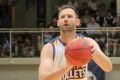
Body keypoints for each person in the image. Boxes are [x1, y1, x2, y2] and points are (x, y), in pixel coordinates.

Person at [39, 5, 112, 80]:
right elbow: (43, 78)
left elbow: (108, 68)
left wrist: (95, 54)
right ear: (58, 23)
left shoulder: (88, 42)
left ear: (78, 22)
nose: (66, 19)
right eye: (62, 17)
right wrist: (67, 67)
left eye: (70, 16)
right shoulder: (49, 48)